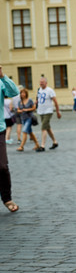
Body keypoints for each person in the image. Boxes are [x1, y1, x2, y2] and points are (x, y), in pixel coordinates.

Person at [1, 66, 20, 212]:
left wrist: (3, 76)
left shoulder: (1, 82)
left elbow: (14, 92)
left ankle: (7, 198)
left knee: (2, 166)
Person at [36, 76, 60, 149]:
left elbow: (55, 101)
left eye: (42, 83)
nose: (41, 84)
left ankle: (42, 145)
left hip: (48, 111)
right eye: (40, 83)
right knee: (47, 127)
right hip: (41, 111)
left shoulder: (50, 90)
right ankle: (55, 142)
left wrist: (58, 111)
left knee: (43, 127)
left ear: (46, 83)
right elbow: (37, 98)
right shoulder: (39, 90)